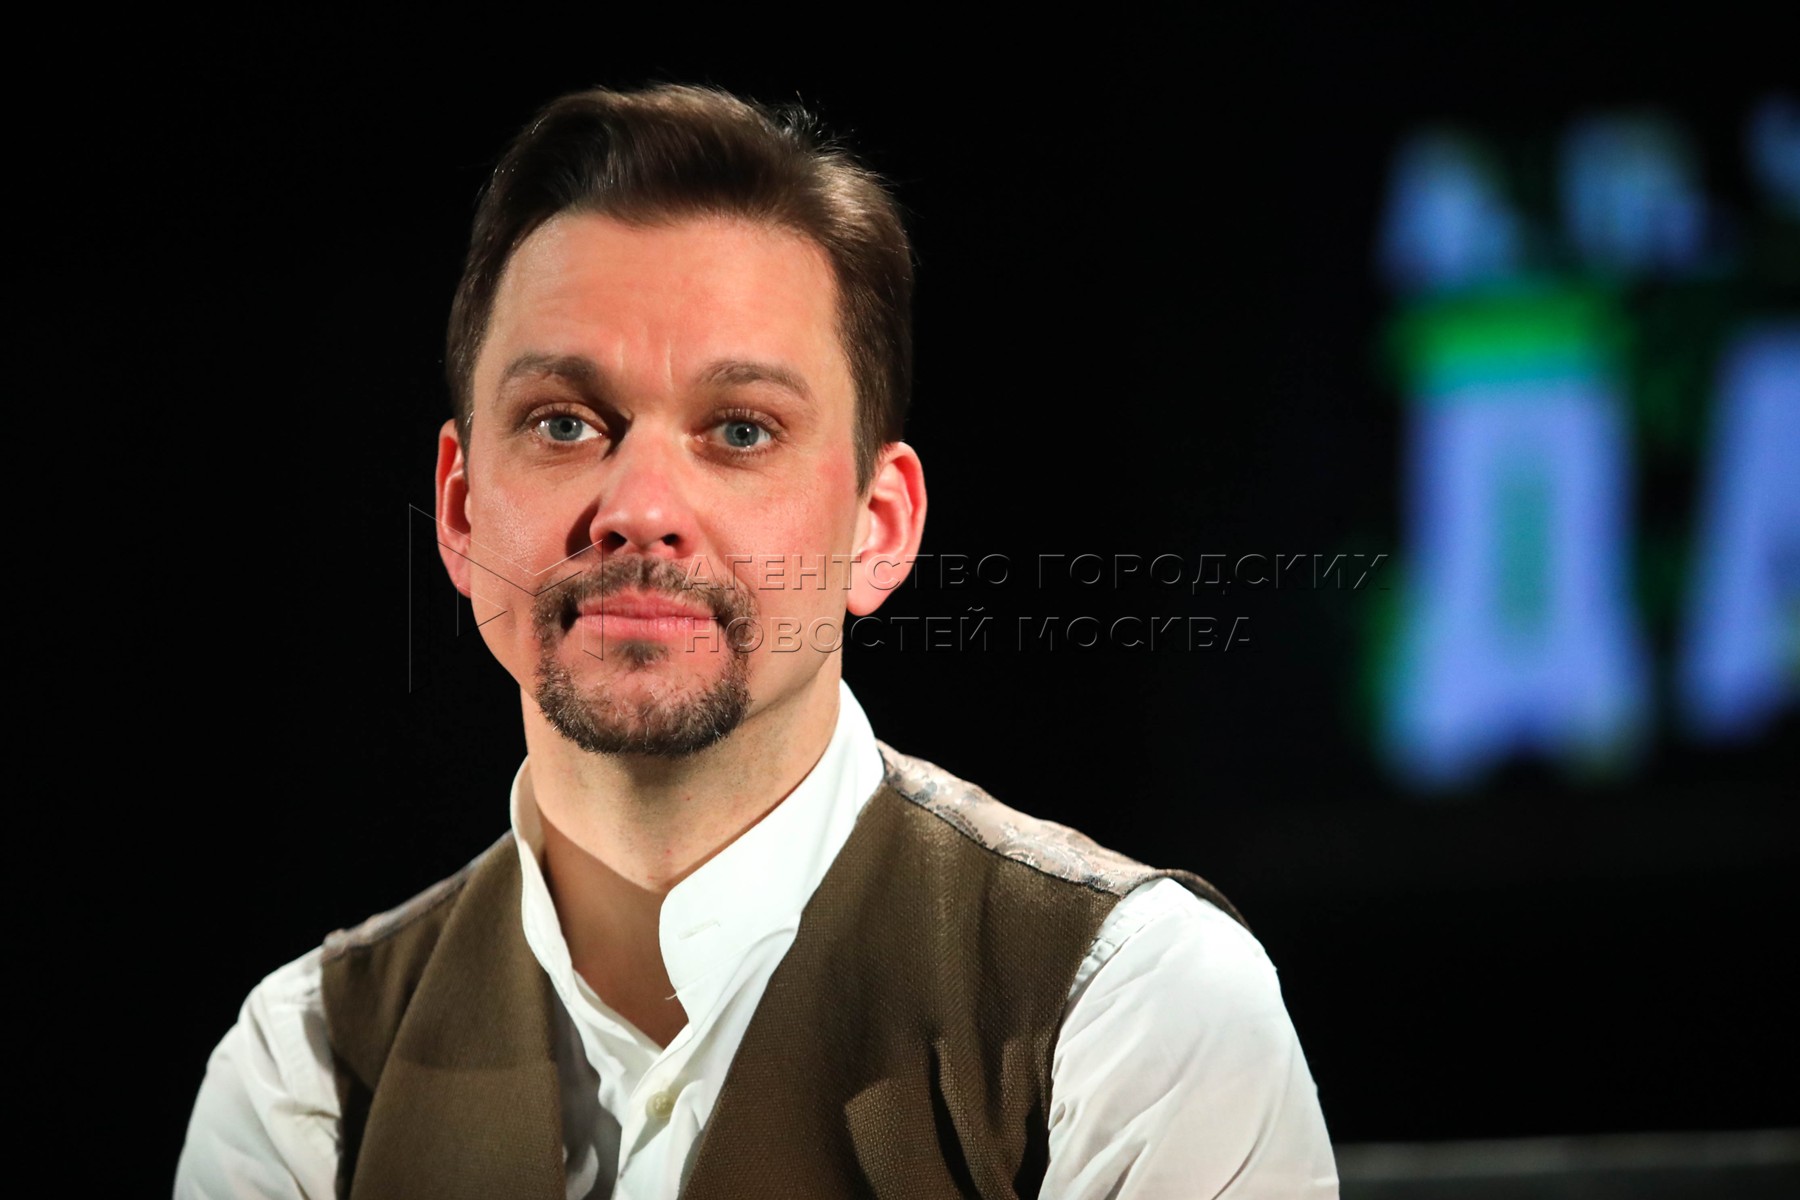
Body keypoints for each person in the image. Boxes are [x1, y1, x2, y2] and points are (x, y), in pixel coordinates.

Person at [176, 83, 1338, 1199]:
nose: (640, 507)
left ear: (879, 528)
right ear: (462, 509)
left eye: (739, 430)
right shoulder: (304, 1076)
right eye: (564, 422)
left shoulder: (1133, 1011)